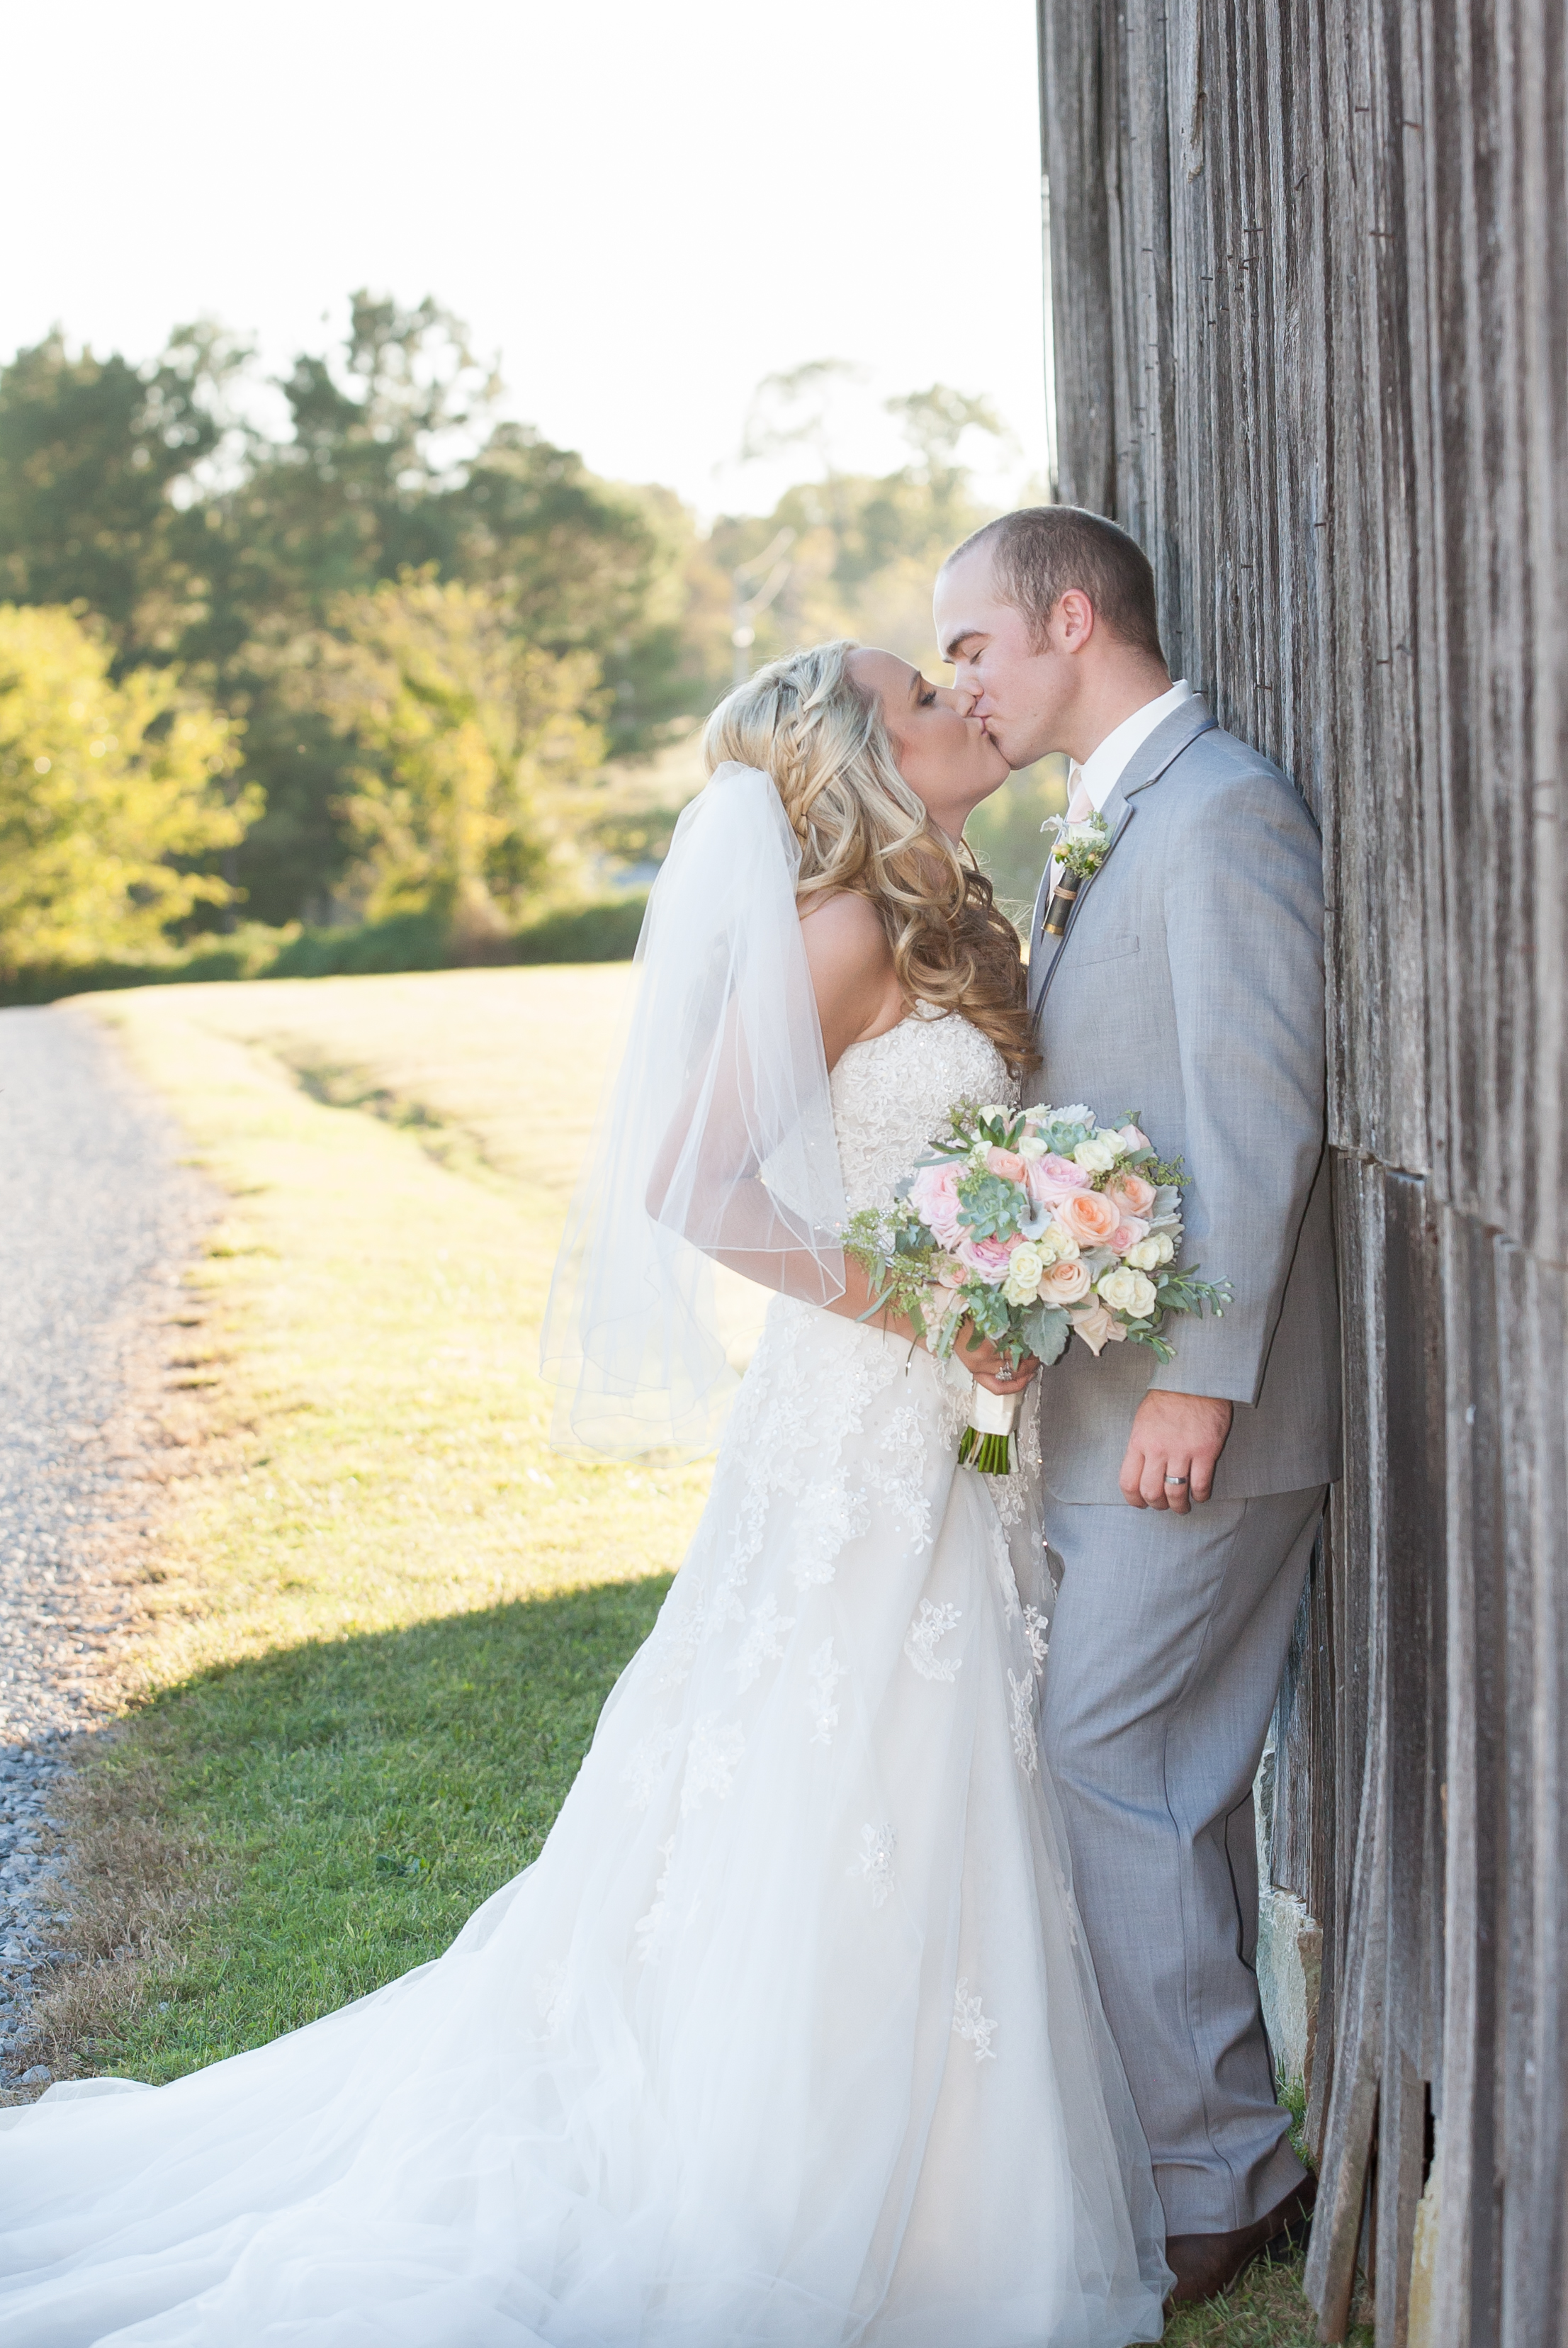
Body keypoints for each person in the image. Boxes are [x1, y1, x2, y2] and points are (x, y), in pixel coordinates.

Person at [0, 639, 1171, 2346]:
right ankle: (797, 2174)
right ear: (862, 756)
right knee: (834, 1760)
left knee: (932, 1759)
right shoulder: (844, 933)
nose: (953, 704)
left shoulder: (953, 907)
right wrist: (927, 1303)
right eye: (921, 692)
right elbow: (696, 1184)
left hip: (949, 1421)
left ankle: (934, 2173)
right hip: (859, 1415)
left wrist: (1010, 1272)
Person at [935, 507, 1341, 2307]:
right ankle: (1205, 2146)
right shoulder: (1109, 821)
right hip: (1112, 1410)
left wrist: (1199, 1373)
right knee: (1150, 1770)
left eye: (977, 647)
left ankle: (1220, 2174)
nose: (963, 682)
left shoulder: (1223, 809)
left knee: (1111, 1753)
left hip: (1198, 1417)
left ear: (1071, 619)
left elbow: (1259, 1111)